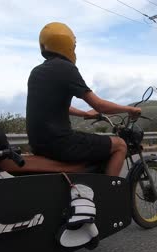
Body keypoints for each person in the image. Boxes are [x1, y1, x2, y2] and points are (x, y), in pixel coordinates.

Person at [26, 22, 141, 177]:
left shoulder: (36, 72)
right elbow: (100, 105)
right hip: (60, 143)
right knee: (119, 144)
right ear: (67, 44)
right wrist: (130, 109)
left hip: (39, 144)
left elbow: (56, 106)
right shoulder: (66, 68)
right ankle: (108, 194)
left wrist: (84, 114)